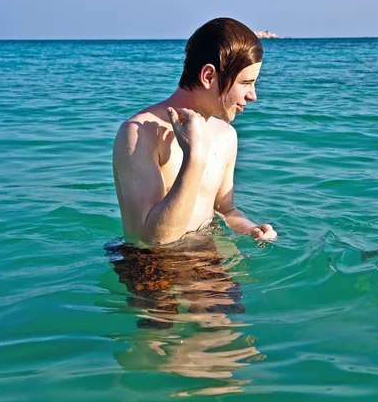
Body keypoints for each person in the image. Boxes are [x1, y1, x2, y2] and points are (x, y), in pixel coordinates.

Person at [113, 17, 277, 246]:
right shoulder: (139, 134)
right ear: (208, 76)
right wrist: (195, 157)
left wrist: (251, 229)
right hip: (153, 271)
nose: (253, 95)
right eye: (246, 83)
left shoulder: (227, 135)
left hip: (207, 262)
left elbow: (225, 210)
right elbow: (154, 240)